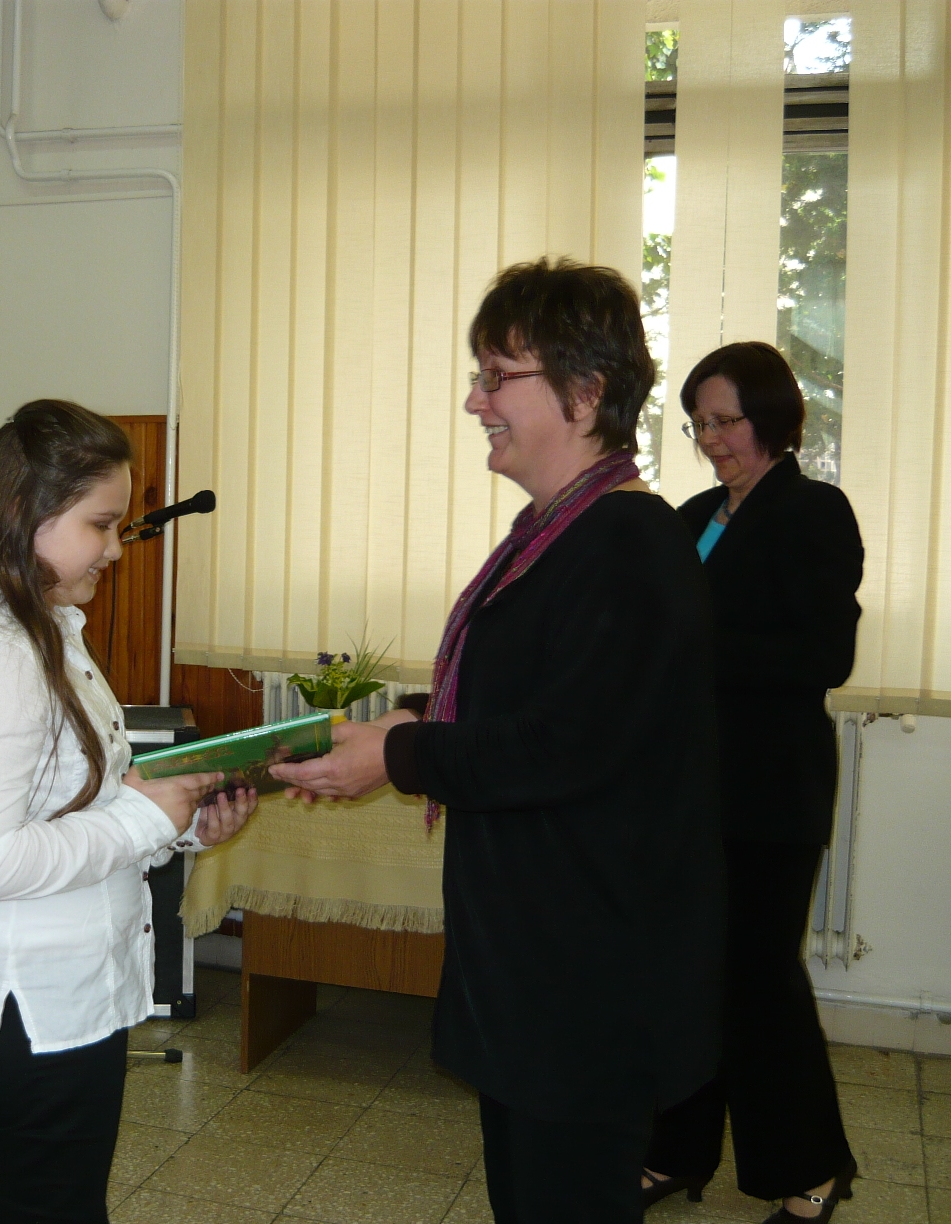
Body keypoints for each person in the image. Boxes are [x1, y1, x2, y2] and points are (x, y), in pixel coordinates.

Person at [271, 259, 725, 1223]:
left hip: (588, 978)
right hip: (536, 965)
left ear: (585, 392)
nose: (475, 401)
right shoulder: (558, 533)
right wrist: (400, 727)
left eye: (496, 376)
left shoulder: (628, 544)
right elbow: (519, 700)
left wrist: (399, 756)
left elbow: (566, 745)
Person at [0, 399, 256, 1221]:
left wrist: (178, 824)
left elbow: (81, 803)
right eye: (100, 524)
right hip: (25, 997)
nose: (116, 549)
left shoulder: (47, 631)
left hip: (56, 991)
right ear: (24, 512)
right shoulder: (1, 655)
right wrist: (144, 818)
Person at [641, 342, 863, 1222]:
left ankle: (813, 1167)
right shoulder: (695, 513)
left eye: (726, 421)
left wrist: (689, 649)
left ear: (771, 416)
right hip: (683, 792)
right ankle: (676, 1150)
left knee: (759, 985)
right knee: (682, 978)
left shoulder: (814, 512)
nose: (711, 439)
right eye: (698, 424)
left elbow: (823, 655)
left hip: (769, 793)